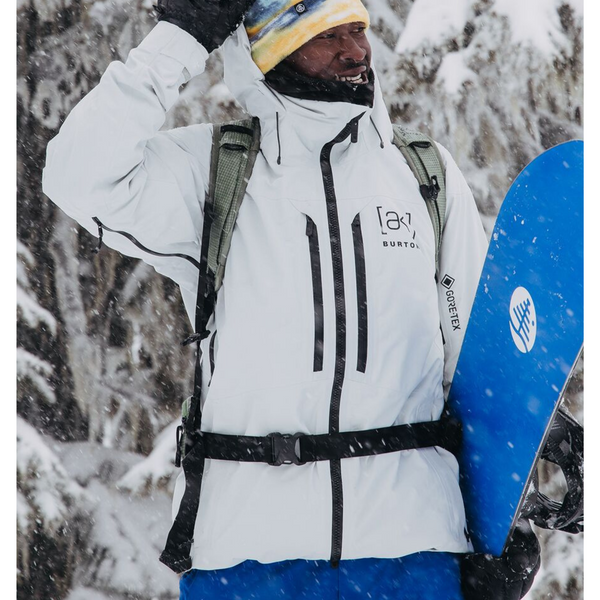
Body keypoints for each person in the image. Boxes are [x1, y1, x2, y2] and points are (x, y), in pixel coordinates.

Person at [42, 1, 541, 598]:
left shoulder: (423, 174)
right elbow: (77, 174)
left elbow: (475, 366)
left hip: (413, 556)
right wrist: (181, 39)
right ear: (272, 49)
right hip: (248, 563)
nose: (355, 51)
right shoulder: (215, 173)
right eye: (326, 35)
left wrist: (507, 513)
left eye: (358, 28)